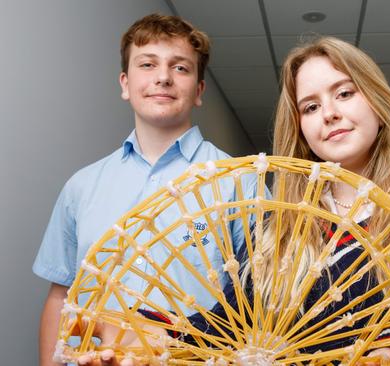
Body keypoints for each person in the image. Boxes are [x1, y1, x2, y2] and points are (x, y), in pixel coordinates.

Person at [79, 36, 390, 366]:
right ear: (301, 128)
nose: (329, 114)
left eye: (344, 93)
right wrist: (157, 336)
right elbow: (223, 329)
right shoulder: (276, 230)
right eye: (310, 106)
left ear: (377, 102)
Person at [33, 13, 259, 366]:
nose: (163, 77)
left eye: (180, 68)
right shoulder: (81, 187)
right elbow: (61, 295)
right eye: (148, 64)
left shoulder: (240, 182)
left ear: (199, 91)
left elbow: (258, 299)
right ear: (125, 84)